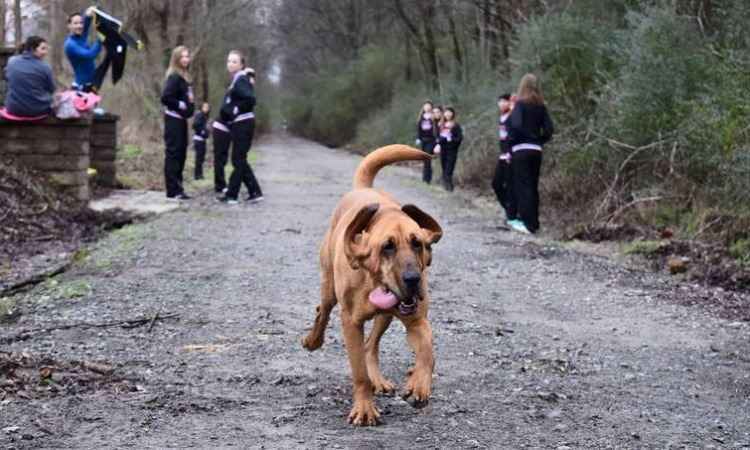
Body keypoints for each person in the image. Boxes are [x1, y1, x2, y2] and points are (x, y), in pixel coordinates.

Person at [507, 74, 554, 234]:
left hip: (521, 150)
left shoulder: (520, 104)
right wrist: (538, 140)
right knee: (533, 186)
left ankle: (527, 224)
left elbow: (516, 125)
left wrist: (515, 140)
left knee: (523, 186)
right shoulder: (541, 106)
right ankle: (534, 223)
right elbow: (549, 130)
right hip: (536, 150)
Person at [217, 50, 263, 205]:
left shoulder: (241, 79)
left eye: (234, 61)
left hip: (244, 122)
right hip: (240, 123)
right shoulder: (238, 79)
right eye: (229, 61)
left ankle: (232, 194)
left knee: (238, 159)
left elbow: (250, 98)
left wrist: (236, 109)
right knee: (239, 159)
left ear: (242, 64)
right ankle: (254, 191)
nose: (230, 64)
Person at [160, 45, 195, 200]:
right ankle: (172, 190)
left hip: (181, 121)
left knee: (181, 154)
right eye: (183, 56)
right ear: (176, 59)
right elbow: (166, 97)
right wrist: (181, 105)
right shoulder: (174, 76)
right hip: (173, 120)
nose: (186, 59)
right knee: (173, 154)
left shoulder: (185, 77)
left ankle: (178, 188)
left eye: (187, 56)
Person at [3, 36, 55, 118]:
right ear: (32, 49)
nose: (46, 52)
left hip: (13, 109)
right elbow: (51, 89)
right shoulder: (45, 67)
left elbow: (7, 77)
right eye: (43, 49)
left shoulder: (11, 61)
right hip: (38, 110)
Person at [492, 93, 516, 225]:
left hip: (511, 156)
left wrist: (510, 152)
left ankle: (512, 214)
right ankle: (508, 209)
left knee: (510, 185)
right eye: (499, 101)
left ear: (509, 103)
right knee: (496, 184)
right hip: (502, 155)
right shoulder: (501, 117)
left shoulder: (513, 116)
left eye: (503, 101)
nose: (501, 104)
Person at [64, 7, 102, 92]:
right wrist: (100, 39)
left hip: (91, 86)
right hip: (80, 89)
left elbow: (86, 25)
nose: (79, 26)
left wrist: (88, 14)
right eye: (75, 23)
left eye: (81, 23)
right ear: (69, 26)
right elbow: (90, 55)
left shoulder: (80, 36)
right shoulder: (70, 44)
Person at [435, 106, 463, 192]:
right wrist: (438, 144)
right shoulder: (441, 125)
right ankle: (445, 187)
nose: (447, 114)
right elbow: (439, 137)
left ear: (453, 114)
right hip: (443, 150)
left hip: (452, 150)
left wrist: (450, 139)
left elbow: (459, 138)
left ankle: (450, 188)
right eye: (446, 112)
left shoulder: (456, 125)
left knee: (449, 169)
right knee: (444, 168)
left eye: (449, 112)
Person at [415, 100, 437, 184]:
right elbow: (418, 129)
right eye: (425, 105)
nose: (427, 107)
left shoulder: (433, 117)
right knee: (424, 159)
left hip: (431, 140)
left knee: (427, 158)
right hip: (423, 140)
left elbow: (436, 128)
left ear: (431, 107)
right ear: (423, 107)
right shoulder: (421, 117)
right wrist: (418, 138)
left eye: (429, 106)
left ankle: (427, 179)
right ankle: (425, 178)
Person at [192, 102, 210, 180]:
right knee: (199, 158)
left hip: (202, 139)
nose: (207, 108)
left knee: (201, 158)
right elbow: (195, 125)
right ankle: (197, 175)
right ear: (201, 107)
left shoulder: (204, 116)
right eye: (205, 107)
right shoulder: (199, 115)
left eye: (208, 107)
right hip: (198, 139)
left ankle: (200, 174)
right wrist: (202, 132)